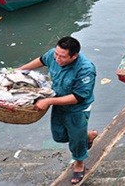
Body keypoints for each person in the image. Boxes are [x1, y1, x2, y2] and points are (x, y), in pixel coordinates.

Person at [18, 36, 97, 184]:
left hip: (77, 109)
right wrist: (20, 70)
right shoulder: (54, 54)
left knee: (75, 140)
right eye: (56, 54)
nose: (57, 58)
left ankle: (79, 164)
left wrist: (47, 101)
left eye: (62, 57)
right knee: (59, 136)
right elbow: (42, 60)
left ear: (74, 56)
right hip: (59, 103)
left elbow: (78, 97)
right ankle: (87, 135)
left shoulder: (86, 69)